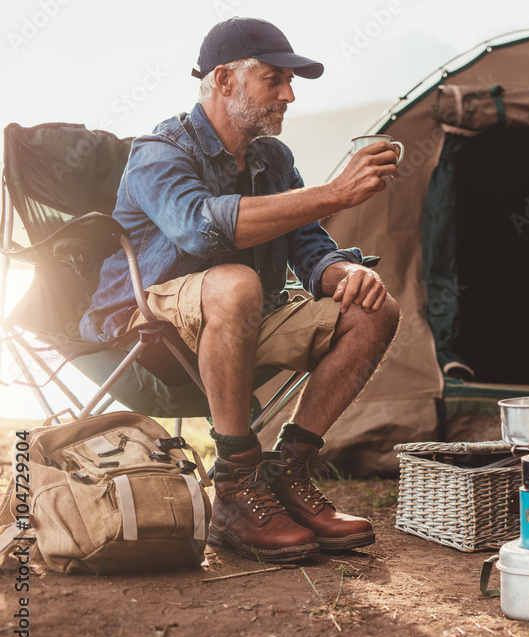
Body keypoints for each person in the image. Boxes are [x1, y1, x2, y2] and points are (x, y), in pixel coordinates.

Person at [81, 17, 403, 564]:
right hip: (146, 323)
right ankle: (234, 486)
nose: (289, 95)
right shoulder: (160, 150)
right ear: (225, 80)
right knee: (236, 282)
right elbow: (199, 228)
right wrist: (336, 192)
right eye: (274, 79)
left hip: (246, 318)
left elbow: (308, 247)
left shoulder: (273, 160)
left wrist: (343, 273)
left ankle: (286, 474)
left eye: (289, 82)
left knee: (373, 308)